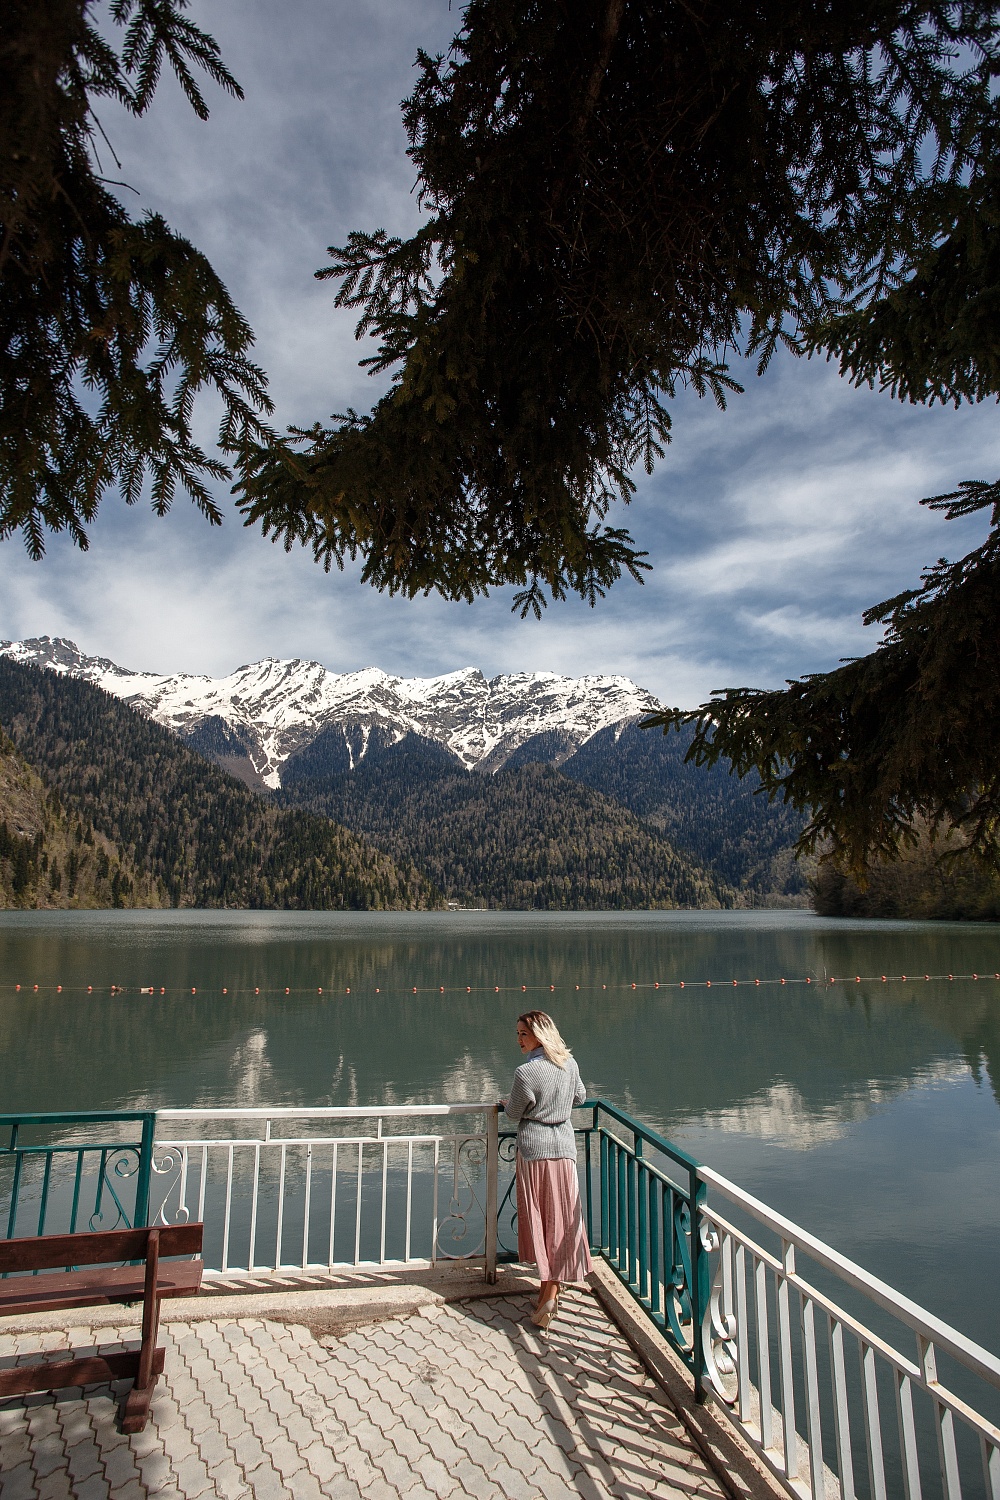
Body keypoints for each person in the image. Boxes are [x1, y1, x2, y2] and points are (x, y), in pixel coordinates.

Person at [500, 1010, 592, 1329]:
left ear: (539, 1035)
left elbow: (513, 1113)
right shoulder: (569, 1063)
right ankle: (547, 1291)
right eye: (518, 1034)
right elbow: (580, 1096)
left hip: (535, 1151)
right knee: (564, 1220)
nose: (519, 1040)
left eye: (523, 1034)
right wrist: (558, 1102)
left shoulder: (526, 1073)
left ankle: (549, 1290)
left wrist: (505, 1102)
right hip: (564, 1150)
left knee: (540, 1221)